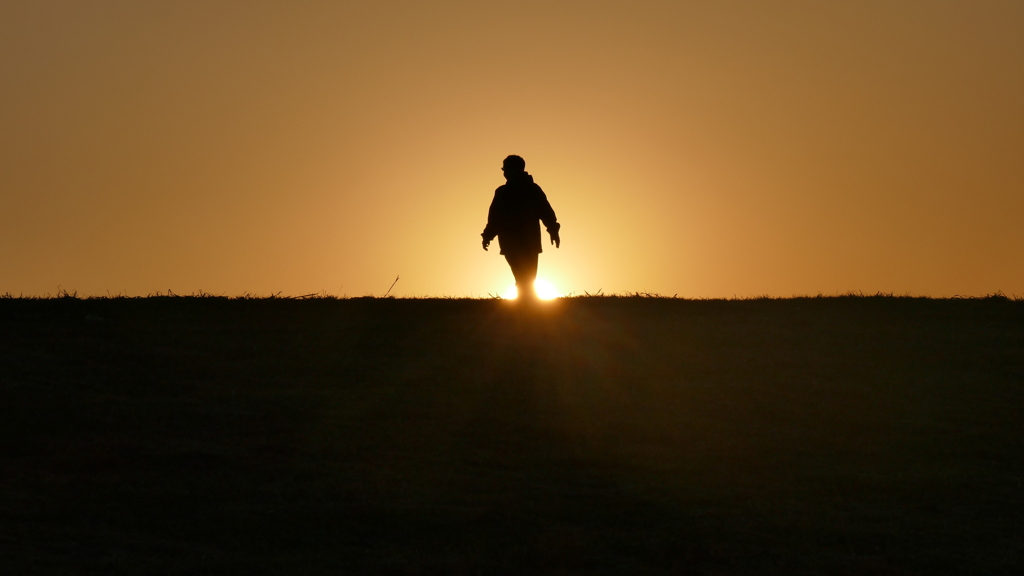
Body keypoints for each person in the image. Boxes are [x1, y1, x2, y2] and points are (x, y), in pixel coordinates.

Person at [481, 155, 561, 299]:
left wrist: (553, 230)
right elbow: (494, 217)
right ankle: (526, 305)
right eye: (503, 169)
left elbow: (545, 211)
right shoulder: (502, 192)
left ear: (516, 170)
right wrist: (487, 235)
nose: (504, 172)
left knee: (527, 277)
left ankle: (526, 307)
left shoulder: (532, 190)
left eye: (506, 169)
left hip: (527, 241)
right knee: (521, 276)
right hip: (511, 241)